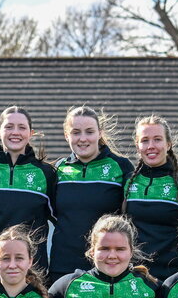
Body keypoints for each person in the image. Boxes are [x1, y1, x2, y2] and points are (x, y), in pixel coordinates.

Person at [0, 106, 57, 284]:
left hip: (32, 274)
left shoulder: (46, 174)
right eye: (9, 127)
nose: (15, 132)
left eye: (22, 127)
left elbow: (63, 221)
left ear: (31, 133)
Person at [50, 106, 134, 284]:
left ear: (99, 133)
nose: (83, 139)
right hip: (63, 265)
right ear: (67, 135)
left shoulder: (121, 166)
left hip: (108, 264)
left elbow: (131, 214)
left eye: (89, 132)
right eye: (75, 132)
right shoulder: (58, 169)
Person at [124, 115, 178, 282]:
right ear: (137, 146)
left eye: (157, 139)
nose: (151, 146)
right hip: (134, 276)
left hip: (174, 277)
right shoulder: (126, 183)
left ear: (168, 144)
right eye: (144, 140)